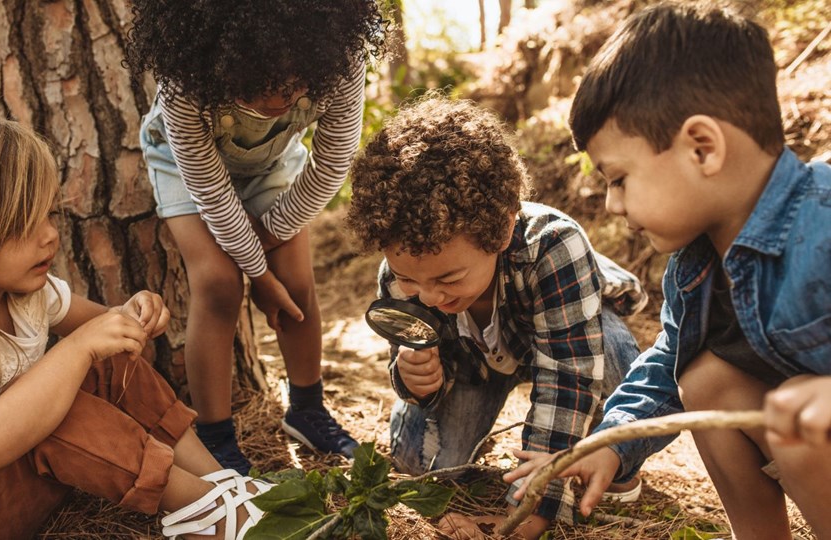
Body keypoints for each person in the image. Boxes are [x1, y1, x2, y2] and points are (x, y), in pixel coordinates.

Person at [507, 4, 831, 539]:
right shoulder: (694, 266)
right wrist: (610, 443)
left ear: (702, 148)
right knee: (704, 379)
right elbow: (665, 366)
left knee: (800, 407)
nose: (611, 204)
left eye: (619, 179)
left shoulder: (821, 221)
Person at [0, 103, 270, 540]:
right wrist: (78, 347)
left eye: (48, 214)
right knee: (57, 408)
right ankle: (206, 513)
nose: (49, 235)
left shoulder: (28, 294)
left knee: (106, 362)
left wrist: (133, 313)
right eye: (21, 224)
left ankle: (220, 484)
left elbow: (110, 331)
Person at [345, 96, 649, 539]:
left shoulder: (554, 246)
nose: (428, 296)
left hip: (561, 338)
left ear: (503, 229)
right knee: (420, 465)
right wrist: (415, 381)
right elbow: (407, 355)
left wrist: (526, 516)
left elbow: (567, 378)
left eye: (449, 277)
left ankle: (616, 462)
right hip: (475, 367)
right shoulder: (401, 275)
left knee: (616, 354)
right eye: (410, 278)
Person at [127, 0, 387, 474]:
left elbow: (332, 164)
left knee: (297, 282)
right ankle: (216, 438)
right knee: (218, 284)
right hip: (186, 168)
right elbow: (210, 191)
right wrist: (259, 277)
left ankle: (307, 410)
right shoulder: (184, 78)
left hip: (271, 164)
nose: (278, 100)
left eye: (293, 86)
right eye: (258, 86)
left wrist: (268, 241)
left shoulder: (341, 56)